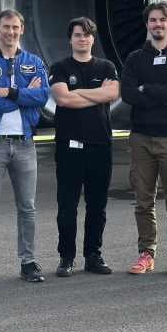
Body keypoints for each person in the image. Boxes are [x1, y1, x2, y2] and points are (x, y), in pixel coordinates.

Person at [0, 9, 51, 285]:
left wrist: (11, 92)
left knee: (27, 208)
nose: (11, 32)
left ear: (22, 30)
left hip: (25, 143)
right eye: (6, 27)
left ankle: (28, 262)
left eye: (15, 27)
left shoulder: (34, 62)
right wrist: (24, 96)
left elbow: (42, 97)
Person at [120, 1, 167, 276]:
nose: (158, 24)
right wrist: (159, 92)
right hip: (141, 137)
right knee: (143, 200)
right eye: (153, 20)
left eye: (163, 20)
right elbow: (128, 94)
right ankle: (146, 253)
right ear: (147, 24)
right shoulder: (135, 58)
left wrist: (147, 89)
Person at [48, 16, 120, 277]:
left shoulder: (107, 66)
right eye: (78, 34)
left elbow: (112, 95)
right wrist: (95, 94)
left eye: (87, 34)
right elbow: (62, 99)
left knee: (97, 205)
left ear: (93, 38)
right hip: (69, 144)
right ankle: (66, 256)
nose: (82, 38)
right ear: (71, 38)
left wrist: (78, 94)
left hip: (100, 143)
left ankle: (93, 254)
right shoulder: (59, 66)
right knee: (67, 205)